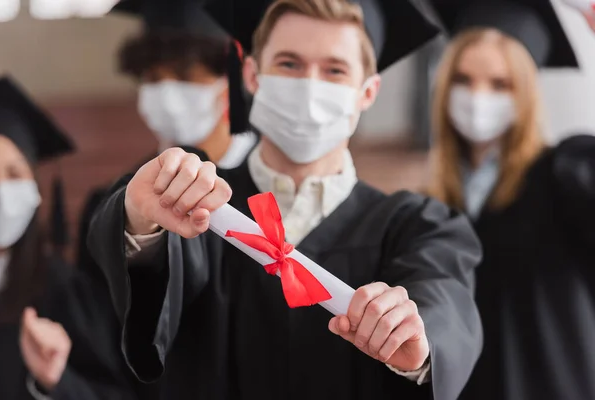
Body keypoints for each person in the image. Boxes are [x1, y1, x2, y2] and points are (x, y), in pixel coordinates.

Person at [88, 1, 483, 399]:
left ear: (367, 92)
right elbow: (148, 302)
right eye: (290, 64)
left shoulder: (417, 225)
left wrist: (416, 337)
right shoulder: (198, 205)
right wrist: (140, 221)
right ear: (252, 75)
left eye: (334, 70)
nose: (310, 85)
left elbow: (442, 299)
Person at [426, 1, 595, 399]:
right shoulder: (431, 202)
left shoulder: (568, 174)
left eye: (500, 84)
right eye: (463, 79)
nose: (477, 97)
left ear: (526, 91)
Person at [77, 0, 257, 278]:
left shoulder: (270, 175)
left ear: (230, 79)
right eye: (153, 78)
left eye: (185, 75)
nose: (167, 92)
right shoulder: (124, 197)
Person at [0, 75, 136, 400]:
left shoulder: (66, 291)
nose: (1, 190)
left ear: (35, 188)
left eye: (14, 174)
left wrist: (53, 381)